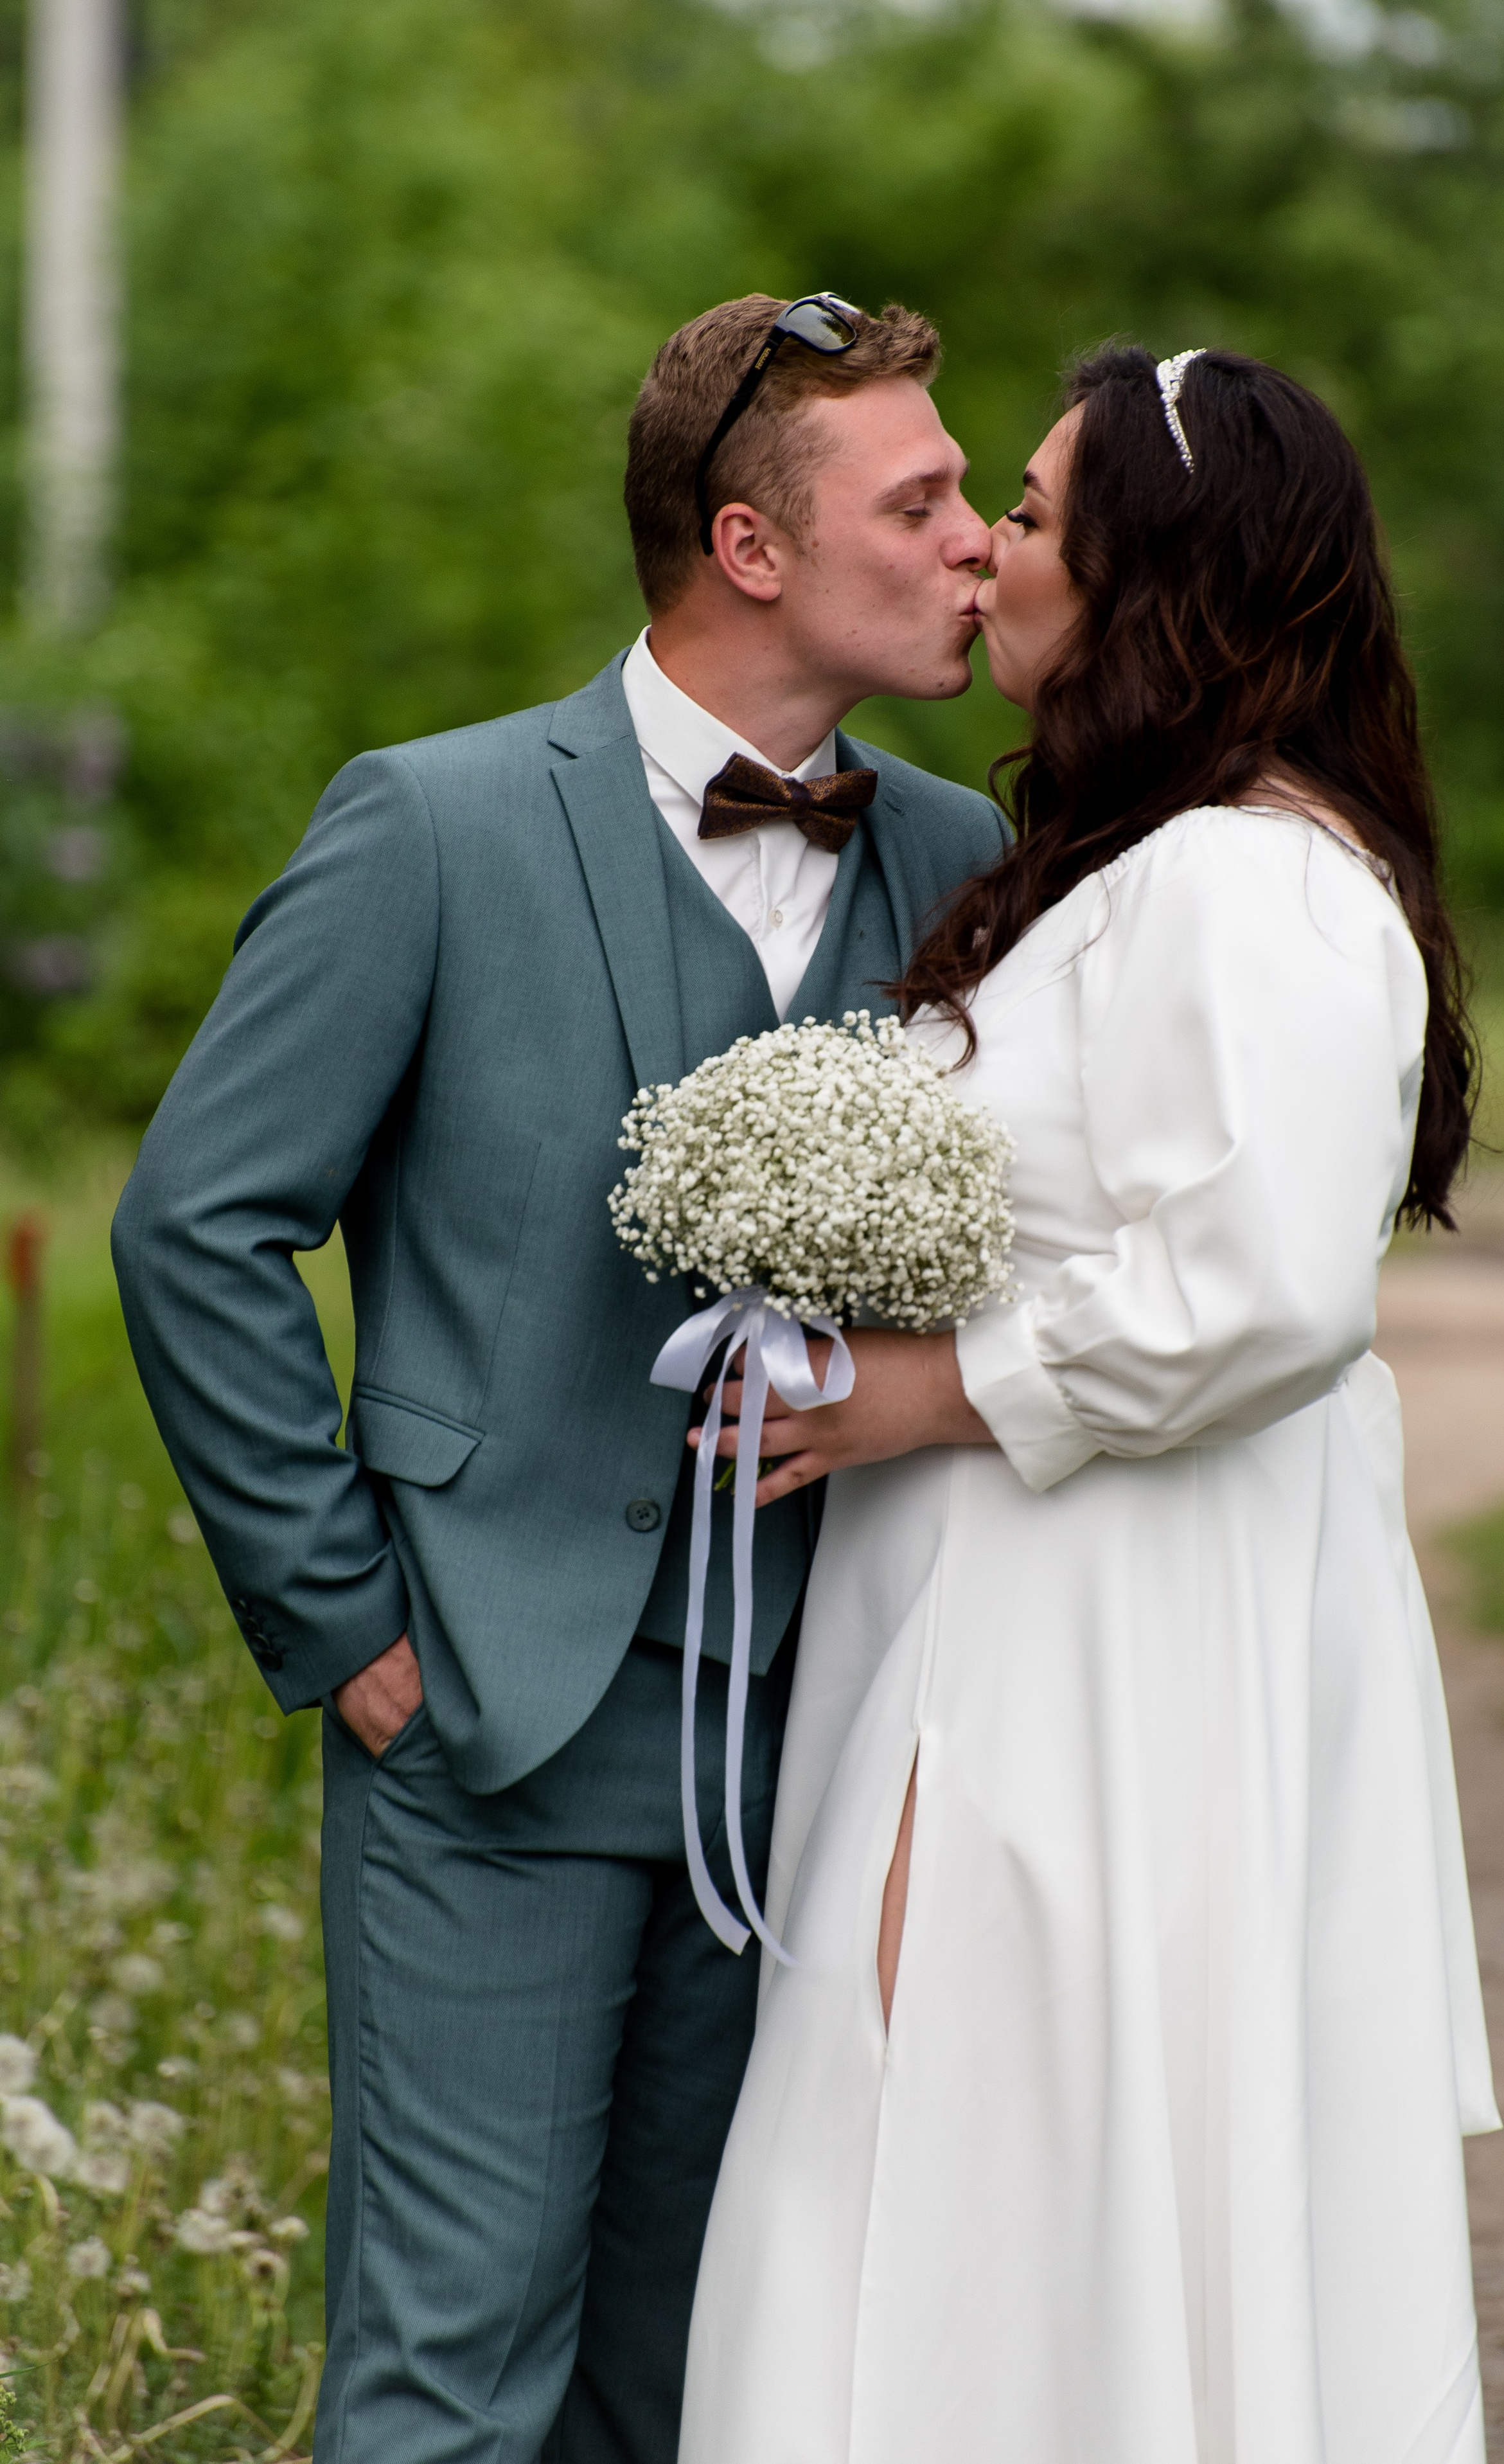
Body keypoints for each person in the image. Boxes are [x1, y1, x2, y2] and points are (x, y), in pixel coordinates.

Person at [111, 292, 1002, 2464]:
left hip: (824, 1742)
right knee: (448, 2379)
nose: (979, 539)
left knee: (710, 2382)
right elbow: (198, 1222)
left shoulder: (965, 862)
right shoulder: (430, 825)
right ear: (751, 546)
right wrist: (347, 1625)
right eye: (922, 501)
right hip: (490, 1719)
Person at [680, 344, 1500, 2464]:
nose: (984, 549)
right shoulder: (1147, 860)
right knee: (960, 2152)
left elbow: (1271, 1284)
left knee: (973, 2149)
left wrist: (935, 1389)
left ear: (1156, 576)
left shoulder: (1256, 882)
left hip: (1105, 1637)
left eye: (1032, 515)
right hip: (1028, 1601)